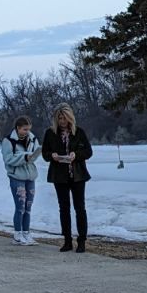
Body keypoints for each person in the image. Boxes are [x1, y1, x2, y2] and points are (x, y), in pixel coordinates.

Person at [42, 103, 94, 252]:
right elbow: (45, 153)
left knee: (80, 208)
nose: (62, 122)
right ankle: (67, 240)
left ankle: (82, 240)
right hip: (59, 176)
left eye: (64, 118)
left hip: (77, 175)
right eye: (59, 119)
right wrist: (52, 156)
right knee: (64, 208)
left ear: (70, 118)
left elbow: (89, 152)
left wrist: (76, 155)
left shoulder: (79, 132)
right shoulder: (50, 133)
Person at [2, 116, 40, 245]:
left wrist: (32, 156)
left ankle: (26, 233)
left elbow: (35, 154)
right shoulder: (9, 141)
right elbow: (8, 160)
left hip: (30, 176)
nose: (27, 132)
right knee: (20, 207)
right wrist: (24, 158)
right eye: (24, 129)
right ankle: (17, 234)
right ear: (18, 128)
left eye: (28, 129)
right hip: (17, 176)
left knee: (28, 207)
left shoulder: (32, 138)